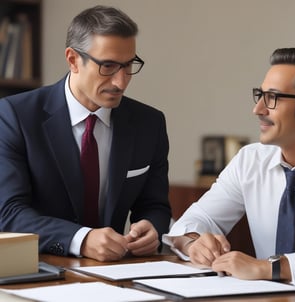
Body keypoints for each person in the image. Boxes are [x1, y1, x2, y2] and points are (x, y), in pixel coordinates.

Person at [163, 47, 295, 289]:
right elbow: (195, 220)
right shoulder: (250, 161)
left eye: (272, 98)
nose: (258, 109)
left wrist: (271, 267)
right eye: (260, 95)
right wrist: (194, 242)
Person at [0, 5, 171, 262]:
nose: (121, 82)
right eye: (108, 66)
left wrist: (152, 228)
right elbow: (8, 212)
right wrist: (80, 239)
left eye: (128, 65)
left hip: (118, 273)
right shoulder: (15, 116)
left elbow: (155, 205)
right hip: (41, 272)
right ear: (72, 60)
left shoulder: (150, 123)